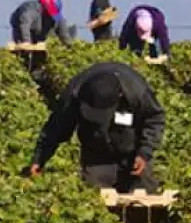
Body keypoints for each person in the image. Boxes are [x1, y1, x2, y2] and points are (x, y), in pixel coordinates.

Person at [28, 62, 165, 192]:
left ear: (119, 96)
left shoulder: (136, 90)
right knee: (95, 196)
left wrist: (144, 152)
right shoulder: (75, 92)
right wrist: (39, 159)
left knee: (143, 196)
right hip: (96, 154)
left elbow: (154, 118)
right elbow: (56, 127)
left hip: (133, 151)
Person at [10, 0, 75, 45]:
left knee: (59, 27)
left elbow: (60, 22)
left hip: (42, 32)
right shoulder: (30, 10)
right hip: (24, 33)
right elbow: (24, 26)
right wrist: (27, 42)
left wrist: (68, 43)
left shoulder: (55, 17)